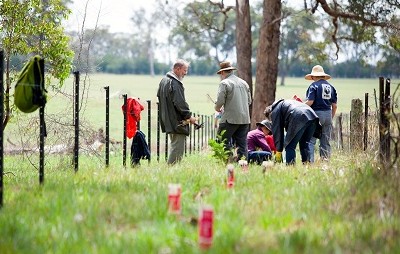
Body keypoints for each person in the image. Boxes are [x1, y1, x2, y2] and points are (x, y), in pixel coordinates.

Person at [157, 59, 197, 165]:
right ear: (177, 69)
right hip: (177, 121)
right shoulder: (175, 83)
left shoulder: (164, 80)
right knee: (177, 149)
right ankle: (171, 171)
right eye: (184, 70)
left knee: (174, 145)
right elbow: (180, 103)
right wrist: (189, 116)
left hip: (167, 119)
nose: (185, 73)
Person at [214, 61, 252, 162]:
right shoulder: (244, 83)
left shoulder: (224, 83)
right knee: (242, 145)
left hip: (229, 119)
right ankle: (243, 166)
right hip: (244, 119)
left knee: (222, 141)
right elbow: (249, 101)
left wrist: (217, 108)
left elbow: (220, 102)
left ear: (222, 72)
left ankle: (226, 163)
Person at [264, 99, 319, 165]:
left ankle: (290, 167)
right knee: (304, 145)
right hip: (312, 115)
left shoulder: (275, 111)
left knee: (289, 146)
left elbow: (278, 131)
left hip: (299, 116)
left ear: (270, 113)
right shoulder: (284, 104)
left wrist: (278, 150)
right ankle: (307, 166)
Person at [304, 65, 338, 162]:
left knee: (310, 140)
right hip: (328, 114)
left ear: (314, 76)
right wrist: (331, 117)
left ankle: (309, 163)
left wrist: (300, 105)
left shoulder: (313, 86)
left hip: (316, 115)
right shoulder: (331, 87)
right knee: (325, 141)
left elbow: (310, 102)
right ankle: (325, 162)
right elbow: (334, 106)